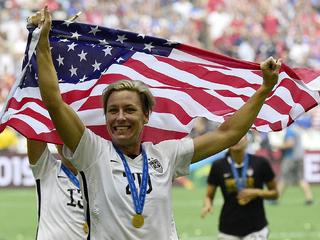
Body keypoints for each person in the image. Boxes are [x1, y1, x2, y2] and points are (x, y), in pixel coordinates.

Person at [30, 7, 281, 239]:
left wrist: (264, 89)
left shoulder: (167, 154)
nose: (120, 117)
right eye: (112, 111)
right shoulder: (93, 151)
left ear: (146, 115)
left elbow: (229, 133)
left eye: (129, 110)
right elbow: (55, 102)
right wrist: (42, 44)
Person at [201, 135, 278, 240]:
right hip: (227, 229)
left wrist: (257, 192)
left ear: (247, 140)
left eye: (241, 135)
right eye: (234, 136)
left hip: (256, 229)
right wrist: (207, 204)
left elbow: (275, 193)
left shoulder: (261, 163)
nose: (237, 139)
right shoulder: (218, 166)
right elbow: (209, 195)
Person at [27, 139, 88, 239]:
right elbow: (34, 131)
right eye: (63, 137)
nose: (68, 142)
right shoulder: (46, 169)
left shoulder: (98, 174)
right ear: (55, 144)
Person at [277, 121, 314, 205]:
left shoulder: (290, 130)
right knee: (301, 178)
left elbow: (290, 144)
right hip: (299, 156)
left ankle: (276, 198)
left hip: (290, 157)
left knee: (283, 177)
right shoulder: (297, 129)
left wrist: (279, 146)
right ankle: (309, 198)